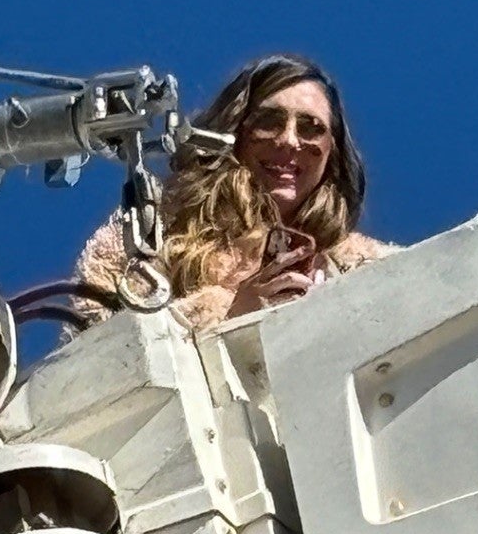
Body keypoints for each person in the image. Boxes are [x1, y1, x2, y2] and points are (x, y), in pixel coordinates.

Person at [73, 55, 391, 332]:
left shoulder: (366, 266)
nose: (290, 141)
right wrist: (232, 316)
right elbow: (102, 349)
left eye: (311, 128)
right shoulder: (152, 231)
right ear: (234, 132)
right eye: (269, 121)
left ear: (331, 152)